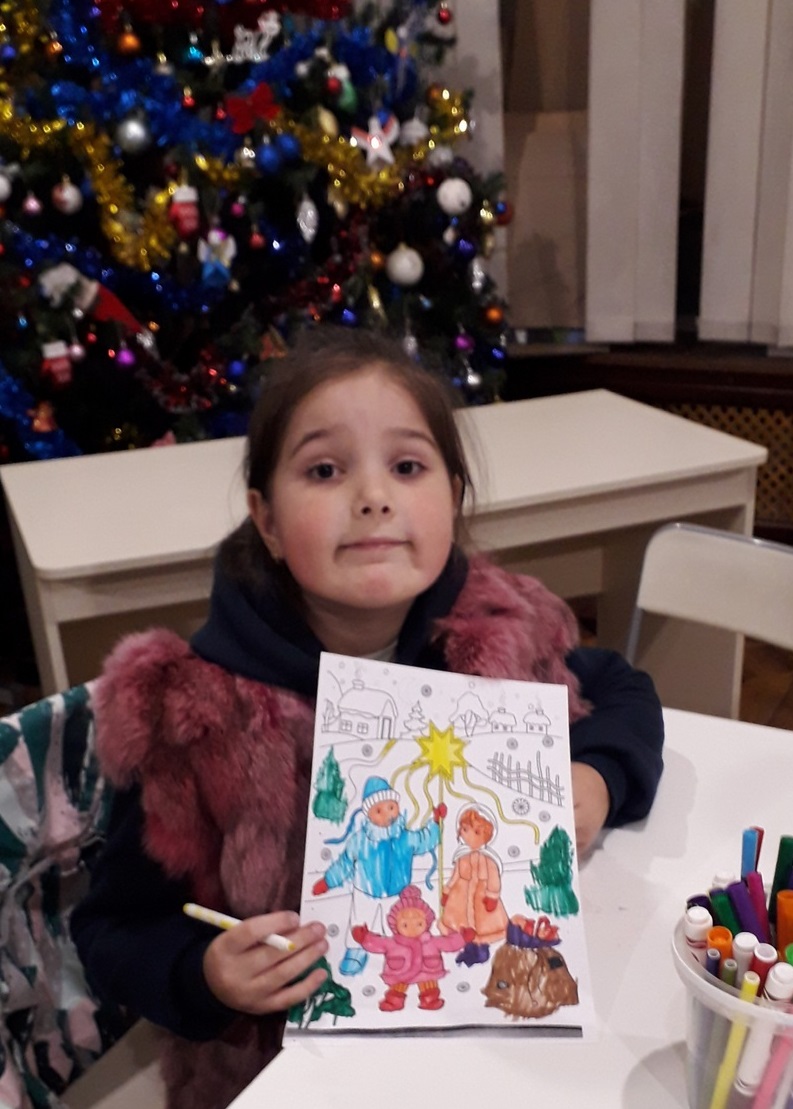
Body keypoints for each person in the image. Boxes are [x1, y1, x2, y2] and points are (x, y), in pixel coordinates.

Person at [71, 327, 664, 1109]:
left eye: (407, 466)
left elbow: (620, 690)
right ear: (266, 520)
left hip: (495, 1048)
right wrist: (205, 972)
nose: (373, 495)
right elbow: (112, 930)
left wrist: (595, 775)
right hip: (290, 1077)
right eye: (324, 470)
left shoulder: (500, 629)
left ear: (453, 496)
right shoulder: (193, 717)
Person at [311, 776, 445, 976]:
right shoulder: (359, 841)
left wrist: (435, 823)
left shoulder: (406, 837)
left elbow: (425, 840)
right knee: (360, 922)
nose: (388, 814)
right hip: (365, 891)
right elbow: (345, 863)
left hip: (396, 893)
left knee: (394, 925)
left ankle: (398, 954)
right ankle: (356, 951)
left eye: (391, 807)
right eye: (379, 811)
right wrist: (328, 881)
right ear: (369, 815)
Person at [350, 884, 473, 1012]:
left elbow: (448, 943)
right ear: (395, 925)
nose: (412, 928)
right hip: (400, 972)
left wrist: (462, 938)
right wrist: (364, 937)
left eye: (419, 923)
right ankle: (393, 1001)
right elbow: (378, 943)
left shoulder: (431, 942)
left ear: (427, 923)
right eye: (405, 924)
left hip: (427, 971)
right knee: (397, 987)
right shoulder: (393, 943)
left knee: (429, 985)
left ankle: (430, 1000)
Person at [439, 802, 508, 964]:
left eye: (476, 832)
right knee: (459, 926)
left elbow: (494, 879)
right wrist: (447, 891)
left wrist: (492, 896)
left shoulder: (488, 860)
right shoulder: (461, 857)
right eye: (465, 830)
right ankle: (465, 949)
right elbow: (455, 876)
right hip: (460, 899)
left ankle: (480, 951)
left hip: (482, 900)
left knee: (483, 930)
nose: (469, 835)